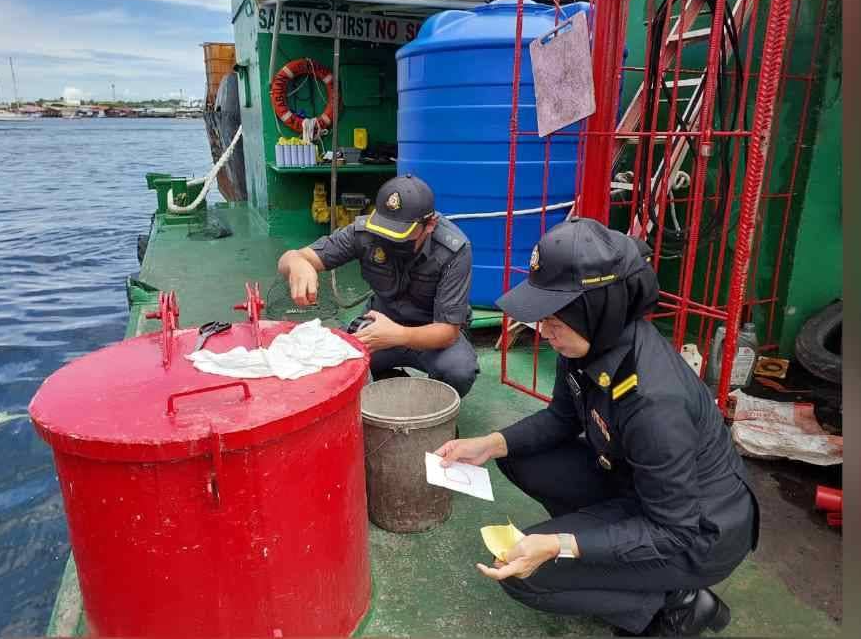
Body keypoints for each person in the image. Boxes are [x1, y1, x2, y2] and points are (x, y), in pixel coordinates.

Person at [433, 217, 760, 636]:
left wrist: (560, 544)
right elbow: (561, 420)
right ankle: (608, 561)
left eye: (554, 317)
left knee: (525, 575)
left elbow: (674, 531)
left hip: (698, 534)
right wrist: (489, 444)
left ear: (596, 310)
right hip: (638, 488)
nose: (544, 330)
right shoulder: (585, 343)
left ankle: (675, 604)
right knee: (520, 457)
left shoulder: (655, 401)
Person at [276, 174, 478, 397]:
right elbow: (291, 259)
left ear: (429, 225)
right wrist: (297, 262)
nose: (389, 241)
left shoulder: (453, 250)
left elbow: (447, 332)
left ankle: (431, 410)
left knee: (458, 370)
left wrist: (399, 334)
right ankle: (385, 380)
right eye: (385, 231)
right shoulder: (365, 233)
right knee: (333, 362)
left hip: (431, 333)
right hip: (378, 323)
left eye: (400, 235)